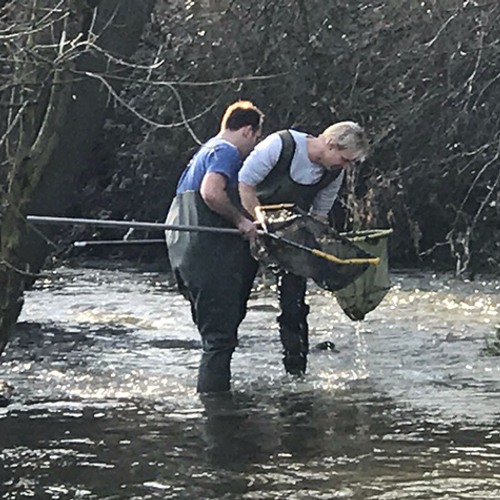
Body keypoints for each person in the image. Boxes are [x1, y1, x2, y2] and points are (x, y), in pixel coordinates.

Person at [238, 122, 369, 376]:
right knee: (236, 296)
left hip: (291, 237)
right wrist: (259, 222)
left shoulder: (333, 174)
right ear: (331, 144)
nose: (345, 167)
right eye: (344, 159)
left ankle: (296, 370)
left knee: (295, 306)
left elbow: (318, 218)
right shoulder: (280, 145)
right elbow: (244, 184)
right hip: (246, 225)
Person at [165, 100, 264, 393]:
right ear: (247, 131)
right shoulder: (226, 152)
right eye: (256, 138)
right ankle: (216, 409)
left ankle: (213, 402)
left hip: (186, 254)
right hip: (208, 257)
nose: (254, 147)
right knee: (219, 340)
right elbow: (210, 193)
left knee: (214, 337)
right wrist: (242, 222)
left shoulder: (204, 150)